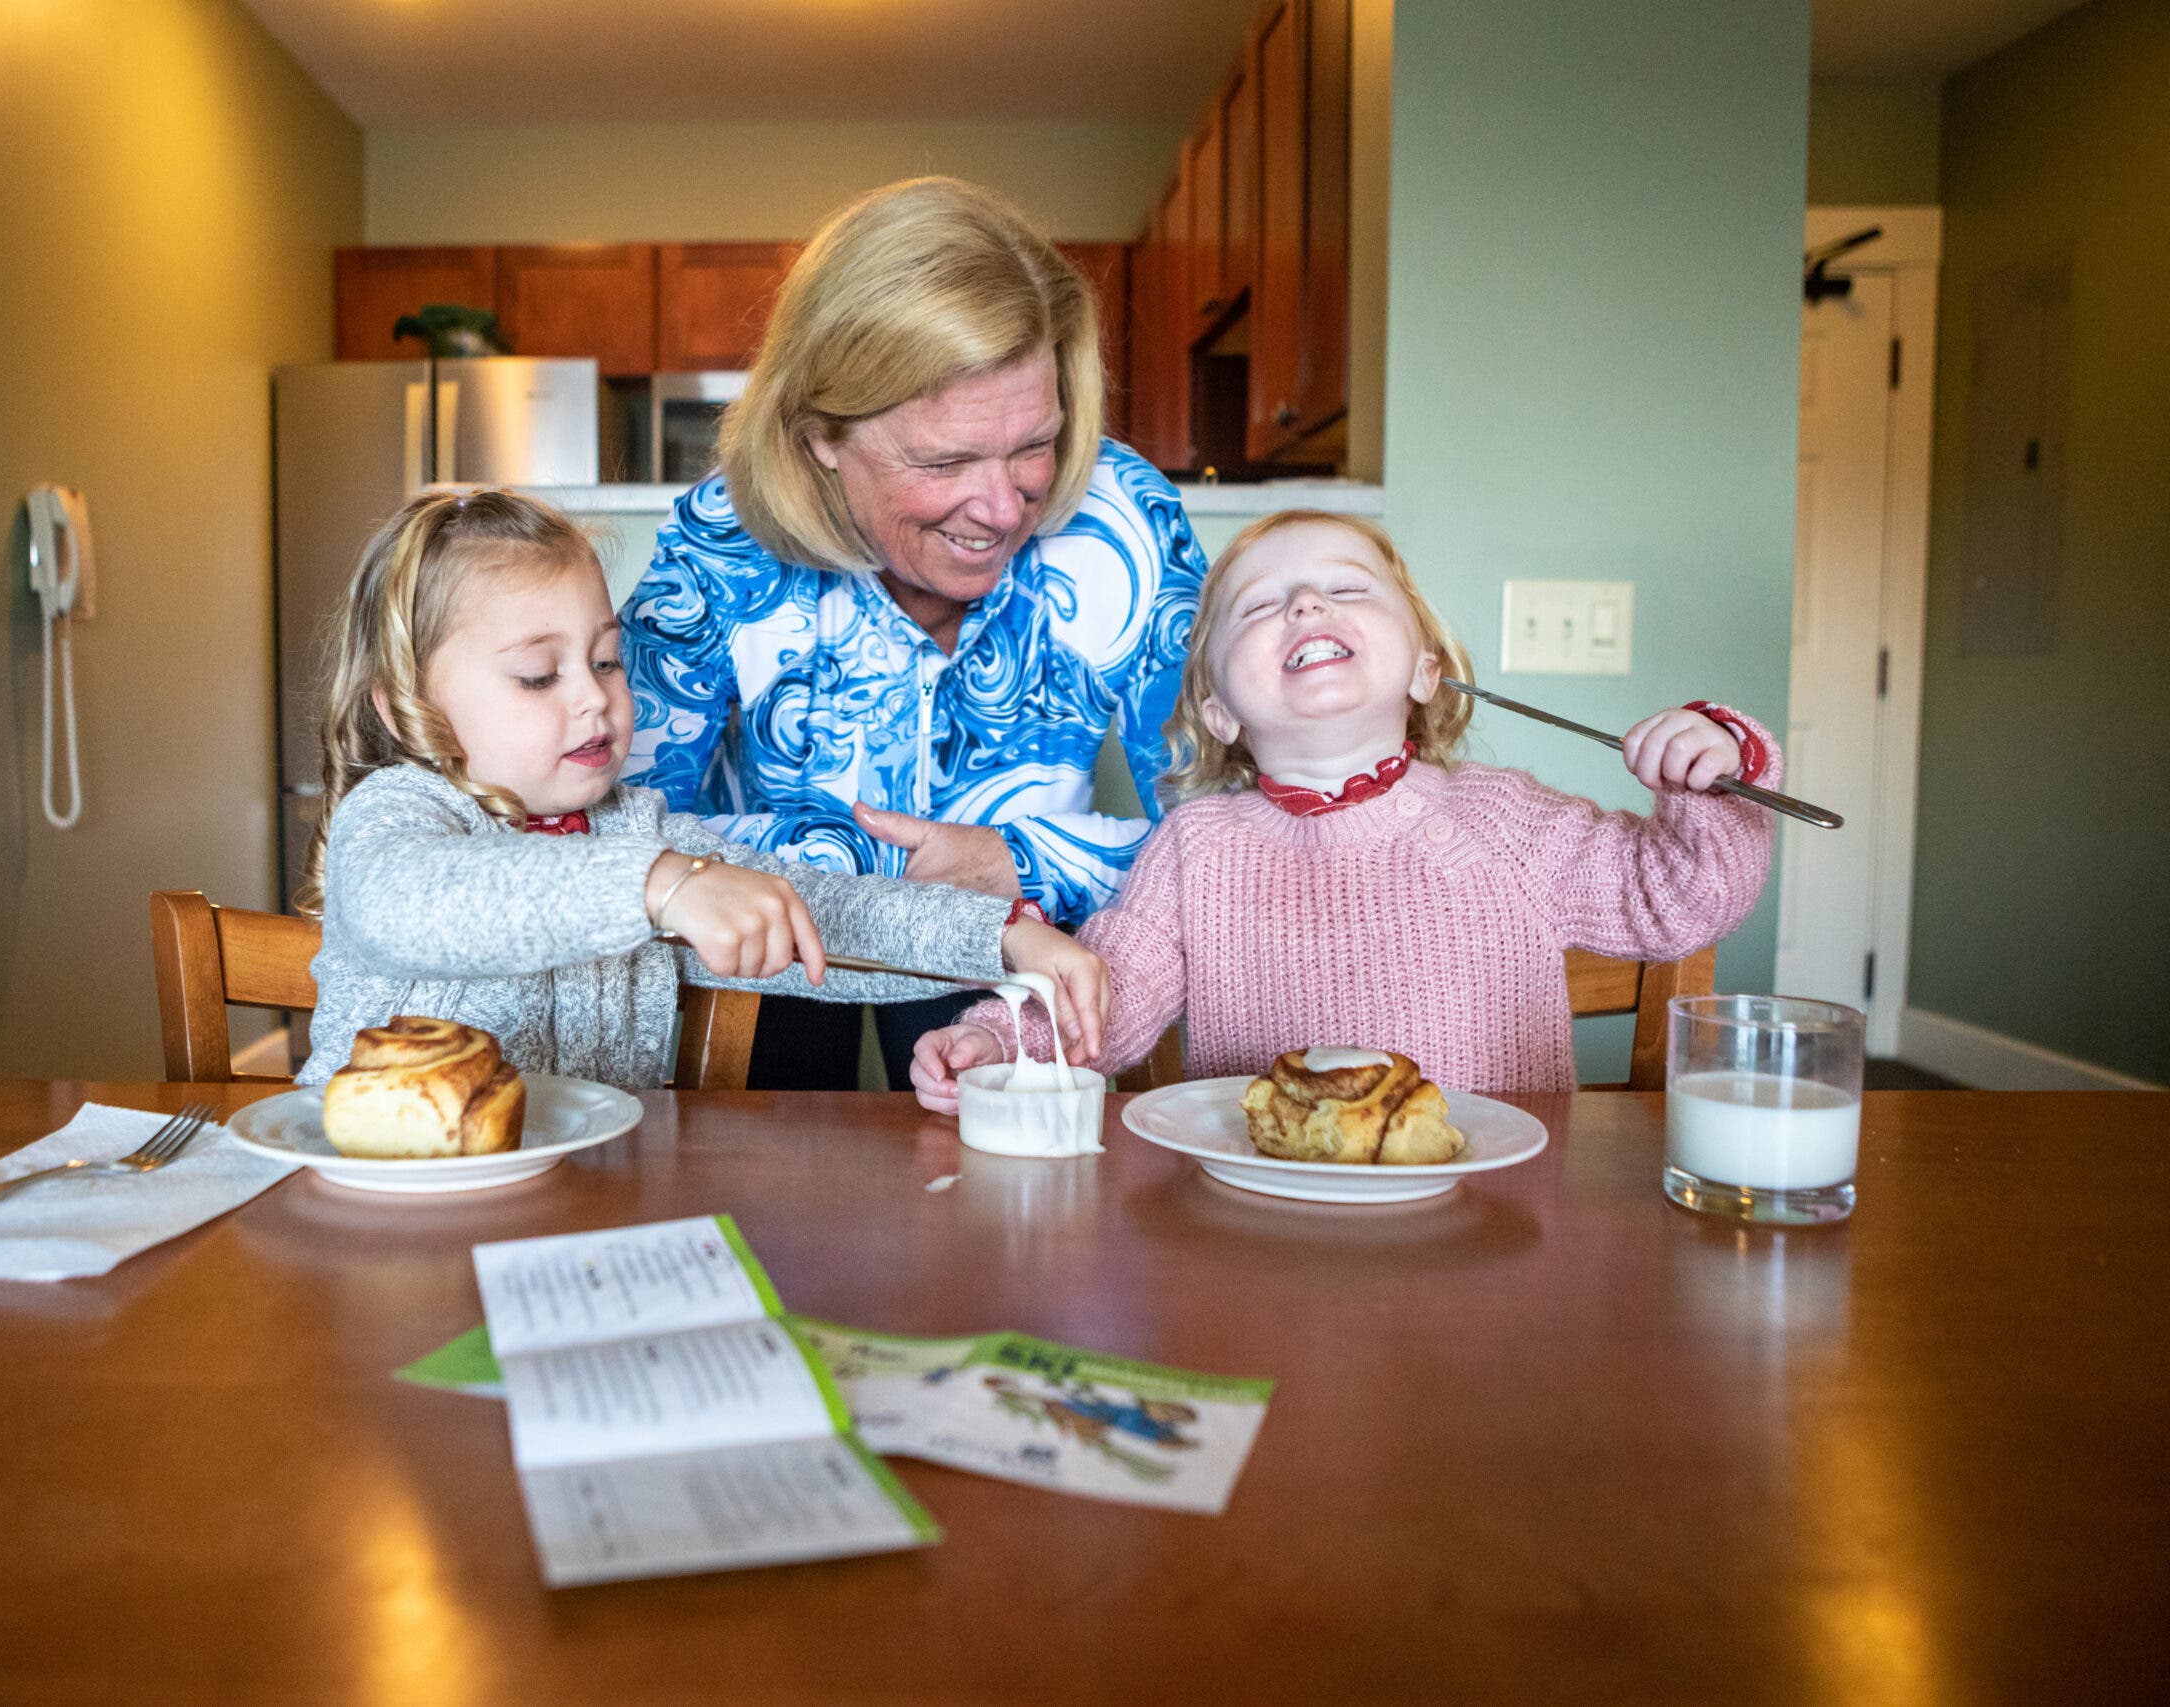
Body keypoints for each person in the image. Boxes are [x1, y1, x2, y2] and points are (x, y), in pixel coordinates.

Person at [619, 177, 1208, 1090]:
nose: (1003, 508)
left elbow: (1232, 829)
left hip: (1020, 960)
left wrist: (1022, 856)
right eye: (945, 460)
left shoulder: (1123, 527)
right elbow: (616, 826)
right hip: (767, 970)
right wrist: (881, 865)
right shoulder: (721, 546)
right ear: (820, 435)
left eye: (1033, 447)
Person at [910, 511, 1780, 1104]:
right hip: (1268, 1228)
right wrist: (998, 1040)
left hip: (1497, 1235)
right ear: (1218, 709)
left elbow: (1679, 901)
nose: (1305, 604)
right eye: (1258, 605)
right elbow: (1108, 996)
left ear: (1425, 668)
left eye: (1349, 588)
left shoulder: (1506, 819)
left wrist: (1709, 774)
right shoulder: (1196, 849)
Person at [294, 489, 1105, 1092]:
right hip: (381, 1224)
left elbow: (820, 909)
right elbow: (418, 899)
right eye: (539, 674)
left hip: (579, 1219)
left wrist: (1002, 937)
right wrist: (659, 886)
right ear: (405, 708)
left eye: (607, 659)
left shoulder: (640, 832)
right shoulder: (398, 816)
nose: (593, 696)